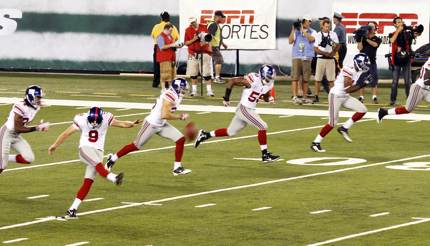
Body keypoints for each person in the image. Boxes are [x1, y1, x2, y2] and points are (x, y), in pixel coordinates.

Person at [48, 107, 141, 218]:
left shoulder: (106, 118)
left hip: (98, 152)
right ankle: (114, 178)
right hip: (85, 149)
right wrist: (55, 145)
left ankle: (72, 209)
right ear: (88, 118)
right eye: (92, 121)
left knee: (88, 182)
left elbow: (122, 124)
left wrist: (131, 124)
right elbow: (66, 133)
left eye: (97, 121)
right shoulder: (81, 119)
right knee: (98, 165)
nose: (95, 123)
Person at [105, 78, 192, 176]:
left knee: (180, 139)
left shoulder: (175, 95)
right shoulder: (169, 96)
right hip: (152, 124)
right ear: (177, 88)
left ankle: (177, 167)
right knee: (136, 146)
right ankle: (112, 159)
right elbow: (164, 115)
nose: (184, 91)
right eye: (183, 89)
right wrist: (180, 116)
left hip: (161, 124)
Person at [194, 65, 280, 163]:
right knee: (263, 126)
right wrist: (226, 98)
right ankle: (265, 155)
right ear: (262, 75)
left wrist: (268, 99)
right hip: (244, 108)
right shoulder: (253, 80)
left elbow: (265, 96)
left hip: (250, 109)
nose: (269, 79)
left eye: (271, 78)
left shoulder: (269, 84)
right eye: (268, 77)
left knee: (231, 132)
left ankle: (205, 135)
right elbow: (232, 81)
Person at [311, 53, 371, 152]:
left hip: (345, 96)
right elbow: (348, 89)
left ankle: (344, 128)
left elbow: (348, 91)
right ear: (358, 62)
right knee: (332, 123)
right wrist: (364, 84)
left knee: (363, 110)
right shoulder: (349, 69)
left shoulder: (358, 69)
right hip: (336, 96)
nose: (365, 66)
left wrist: (363, 84)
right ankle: (316, 143)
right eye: (364, 64)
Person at [0, 85, 49, 174]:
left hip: (16, 135)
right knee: (2, 165)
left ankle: (6, 157)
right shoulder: (20, 105)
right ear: (31, 96)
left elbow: (24, 124)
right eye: (38, 97)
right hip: (6, 133)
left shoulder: (36, 107)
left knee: (29, 158)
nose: (39, 99)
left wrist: (39, 126)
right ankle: (3, 159)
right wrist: (37, 128)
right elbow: (18, 128)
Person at [377, 57, 430, 123]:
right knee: (408, 109)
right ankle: (384, 112)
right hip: (419, 88)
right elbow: (426, 81)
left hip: (428, 90)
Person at [289, 16, 316, 105]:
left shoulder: (313, 31)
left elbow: (311, 39)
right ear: (304, 22)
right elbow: (290, 41)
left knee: (305, 79)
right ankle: (295, 97)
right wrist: (293, 29)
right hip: (297, 56)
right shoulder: (296, 31)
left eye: (310, 21)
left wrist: (304, 31)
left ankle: (304, 97)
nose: (310, 23)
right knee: (295, 78)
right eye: (308, 21)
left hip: (307, 57)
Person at [184, 17, 214, 97]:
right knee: (193, 73)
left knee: (206, 73)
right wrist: (194, 39)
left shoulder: (204, 27)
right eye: (191, 23)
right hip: (193, 53)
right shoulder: (187, 30)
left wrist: (205, 43)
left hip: (204, 52)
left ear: (196, 21)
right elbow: (186, 43)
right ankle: (194, 90)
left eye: (193, 22)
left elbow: (209, 38)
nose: (192, 24)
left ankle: (209, 90)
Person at [151, 12, 179, 88]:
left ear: (161, 18)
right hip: (170, 47)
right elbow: (176, 37)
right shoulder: (173, 27)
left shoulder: (157, 26)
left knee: (157, 66)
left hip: (158, 46)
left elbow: (153, 36)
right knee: (169, 67)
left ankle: (156, 82)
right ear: (169, 18)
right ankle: (167, 83)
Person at [389, 17, 413, 106]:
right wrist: (398, 31)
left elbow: (415, 35)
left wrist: (414, 30)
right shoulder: (392, 34)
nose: (400, 23)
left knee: (407, 82)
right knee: (395, 82)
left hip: (406, 60)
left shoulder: (407, 33)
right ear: (394, 24)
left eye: (401, 22)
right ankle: (392, 100)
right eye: (398, 22)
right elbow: (392, 40)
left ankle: (410, 100)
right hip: (396, 60)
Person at [314, 19, 339, 103]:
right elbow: (315, 48)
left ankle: (333, 97)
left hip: (330, 58)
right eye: (326, 26)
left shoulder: (333, 34)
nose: (327, 28)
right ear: (322, 26)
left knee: (331, 79)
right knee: (318, 79)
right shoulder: (318, 35)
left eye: (329, 26)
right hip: (321, 58)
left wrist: (333, 52)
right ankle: (316, 96)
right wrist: (325, 53)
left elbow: (338, 45)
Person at [357, 21, 382, 104]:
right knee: (361, 80)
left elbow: (375, 45)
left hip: (372, 62)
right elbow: (359, 48)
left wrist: (366, 39)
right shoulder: (363, 38)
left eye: (372, 26)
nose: (370, 28)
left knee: (373, 79)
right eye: (369, 26)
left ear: (375, 28)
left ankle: (374, 97)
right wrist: (361, 38)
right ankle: (361, 97)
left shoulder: (377, 39)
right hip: (362, 62)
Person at [156, 24, 184, 91]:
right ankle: (163, 88)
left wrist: (178, 46)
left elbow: (172, 45)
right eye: (170, 30)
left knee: (172, 74)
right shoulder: (160, 36)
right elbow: (162, 47)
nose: (171, 32)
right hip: (164, 58)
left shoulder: (170, 36)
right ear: (166, 29)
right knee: (164, 73)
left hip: (172, 57)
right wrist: (172, 45)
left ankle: (171, 88)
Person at [208, 10, 228, 84]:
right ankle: (217, 77)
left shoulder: (215, 24)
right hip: (213, 46)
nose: (223, 19)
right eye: (222, 17)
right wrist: (209, 47)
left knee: (216, 61)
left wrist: (222, 43)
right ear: (218, 17)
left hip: (214, 46)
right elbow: (209, 36)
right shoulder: (213, 25)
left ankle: (215, 76)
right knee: (219, 61)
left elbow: (217, 36)